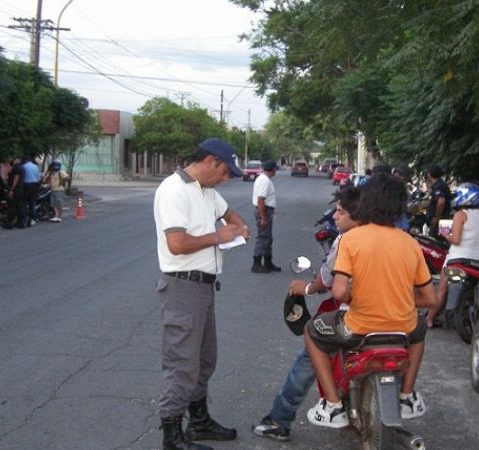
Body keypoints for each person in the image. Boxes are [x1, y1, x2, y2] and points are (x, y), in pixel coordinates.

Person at [304, 172, 440, 428]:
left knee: (311, 331)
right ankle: (407, 396)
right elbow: (430, 299)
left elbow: (339, 292)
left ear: (366, 202)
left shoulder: (351, 239)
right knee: (420, 329)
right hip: (404, 330)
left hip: (358, 329)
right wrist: (396, 297)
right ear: (400, 206)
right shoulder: (410, 243)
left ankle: (333, 406)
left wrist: (363, 295)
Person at [153, 137, 250, 450]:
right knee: (182, 362)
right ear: (210, 161)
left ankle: (199, 421)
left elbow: (231, 215)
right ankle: (172, 434)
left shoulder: (207, 191)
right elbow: (177, 245)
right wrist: (218, 236)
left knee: (205, 359)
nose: (225, 179)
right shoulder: (173, 190)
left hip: (204, 287)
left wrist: (239, 227)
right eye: (224, 172)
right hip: (182, 286)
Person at [252, 186, 362, 442]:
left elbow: (330, 281)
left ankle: (281, 418)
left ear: (358, 213)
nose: (335, 217)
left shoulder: (348, 240)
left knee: (311, 347)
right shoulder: (398, 238)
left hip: (356, 318)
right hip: (396, 321)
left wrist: (308, 288)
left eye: (340, 212)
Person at [433, 182, 479, 318]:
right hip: (477, 262)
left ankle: (430, 318)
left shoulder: (460, 215)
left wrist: (444, 234)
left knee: (442, 288)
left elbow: (455, 240)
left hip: (457, 260)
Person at [251, 159, 281, 273]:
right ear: (273, 169)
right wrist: (263, 217)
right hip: (263, 210)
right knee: (263, 238)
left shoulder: (263, 179)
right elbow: (260, 200)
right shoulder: (265, 181)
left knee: (268, 238)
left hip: (266, 210)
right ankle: (257, 263)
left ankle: (268, 262)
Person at [425, 164, 451, 237]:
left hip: (439, 221)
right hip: (445, 220)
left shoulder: (439, 186)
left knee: (434, 243)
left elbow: (441, 201)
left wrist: (437, 218)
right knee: (445, 240)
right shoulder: (442, 184)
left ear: (429, 174)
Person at [4, 156, 26, 229]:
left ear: (17, 160)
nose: (11, 161)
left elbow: (16, 179)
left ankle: (10, 223)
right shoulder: (22, 167)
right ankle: (21, 222)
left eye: (13, 159)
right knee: (19, 206)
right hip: (20, 189)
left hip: (15, 190)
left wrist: (12, 189)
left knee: (12, 206)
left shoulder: (16, 168)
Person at [22, 155, 41, 226]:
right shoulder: (35, 167)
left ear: (25, 160)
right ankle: (32, 219)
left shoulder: (23, 166)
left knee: (24, 202)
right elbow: (38, 178)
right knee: (32, 203)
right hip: (34, 185)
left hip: (26, 185)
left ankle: (24, 218)